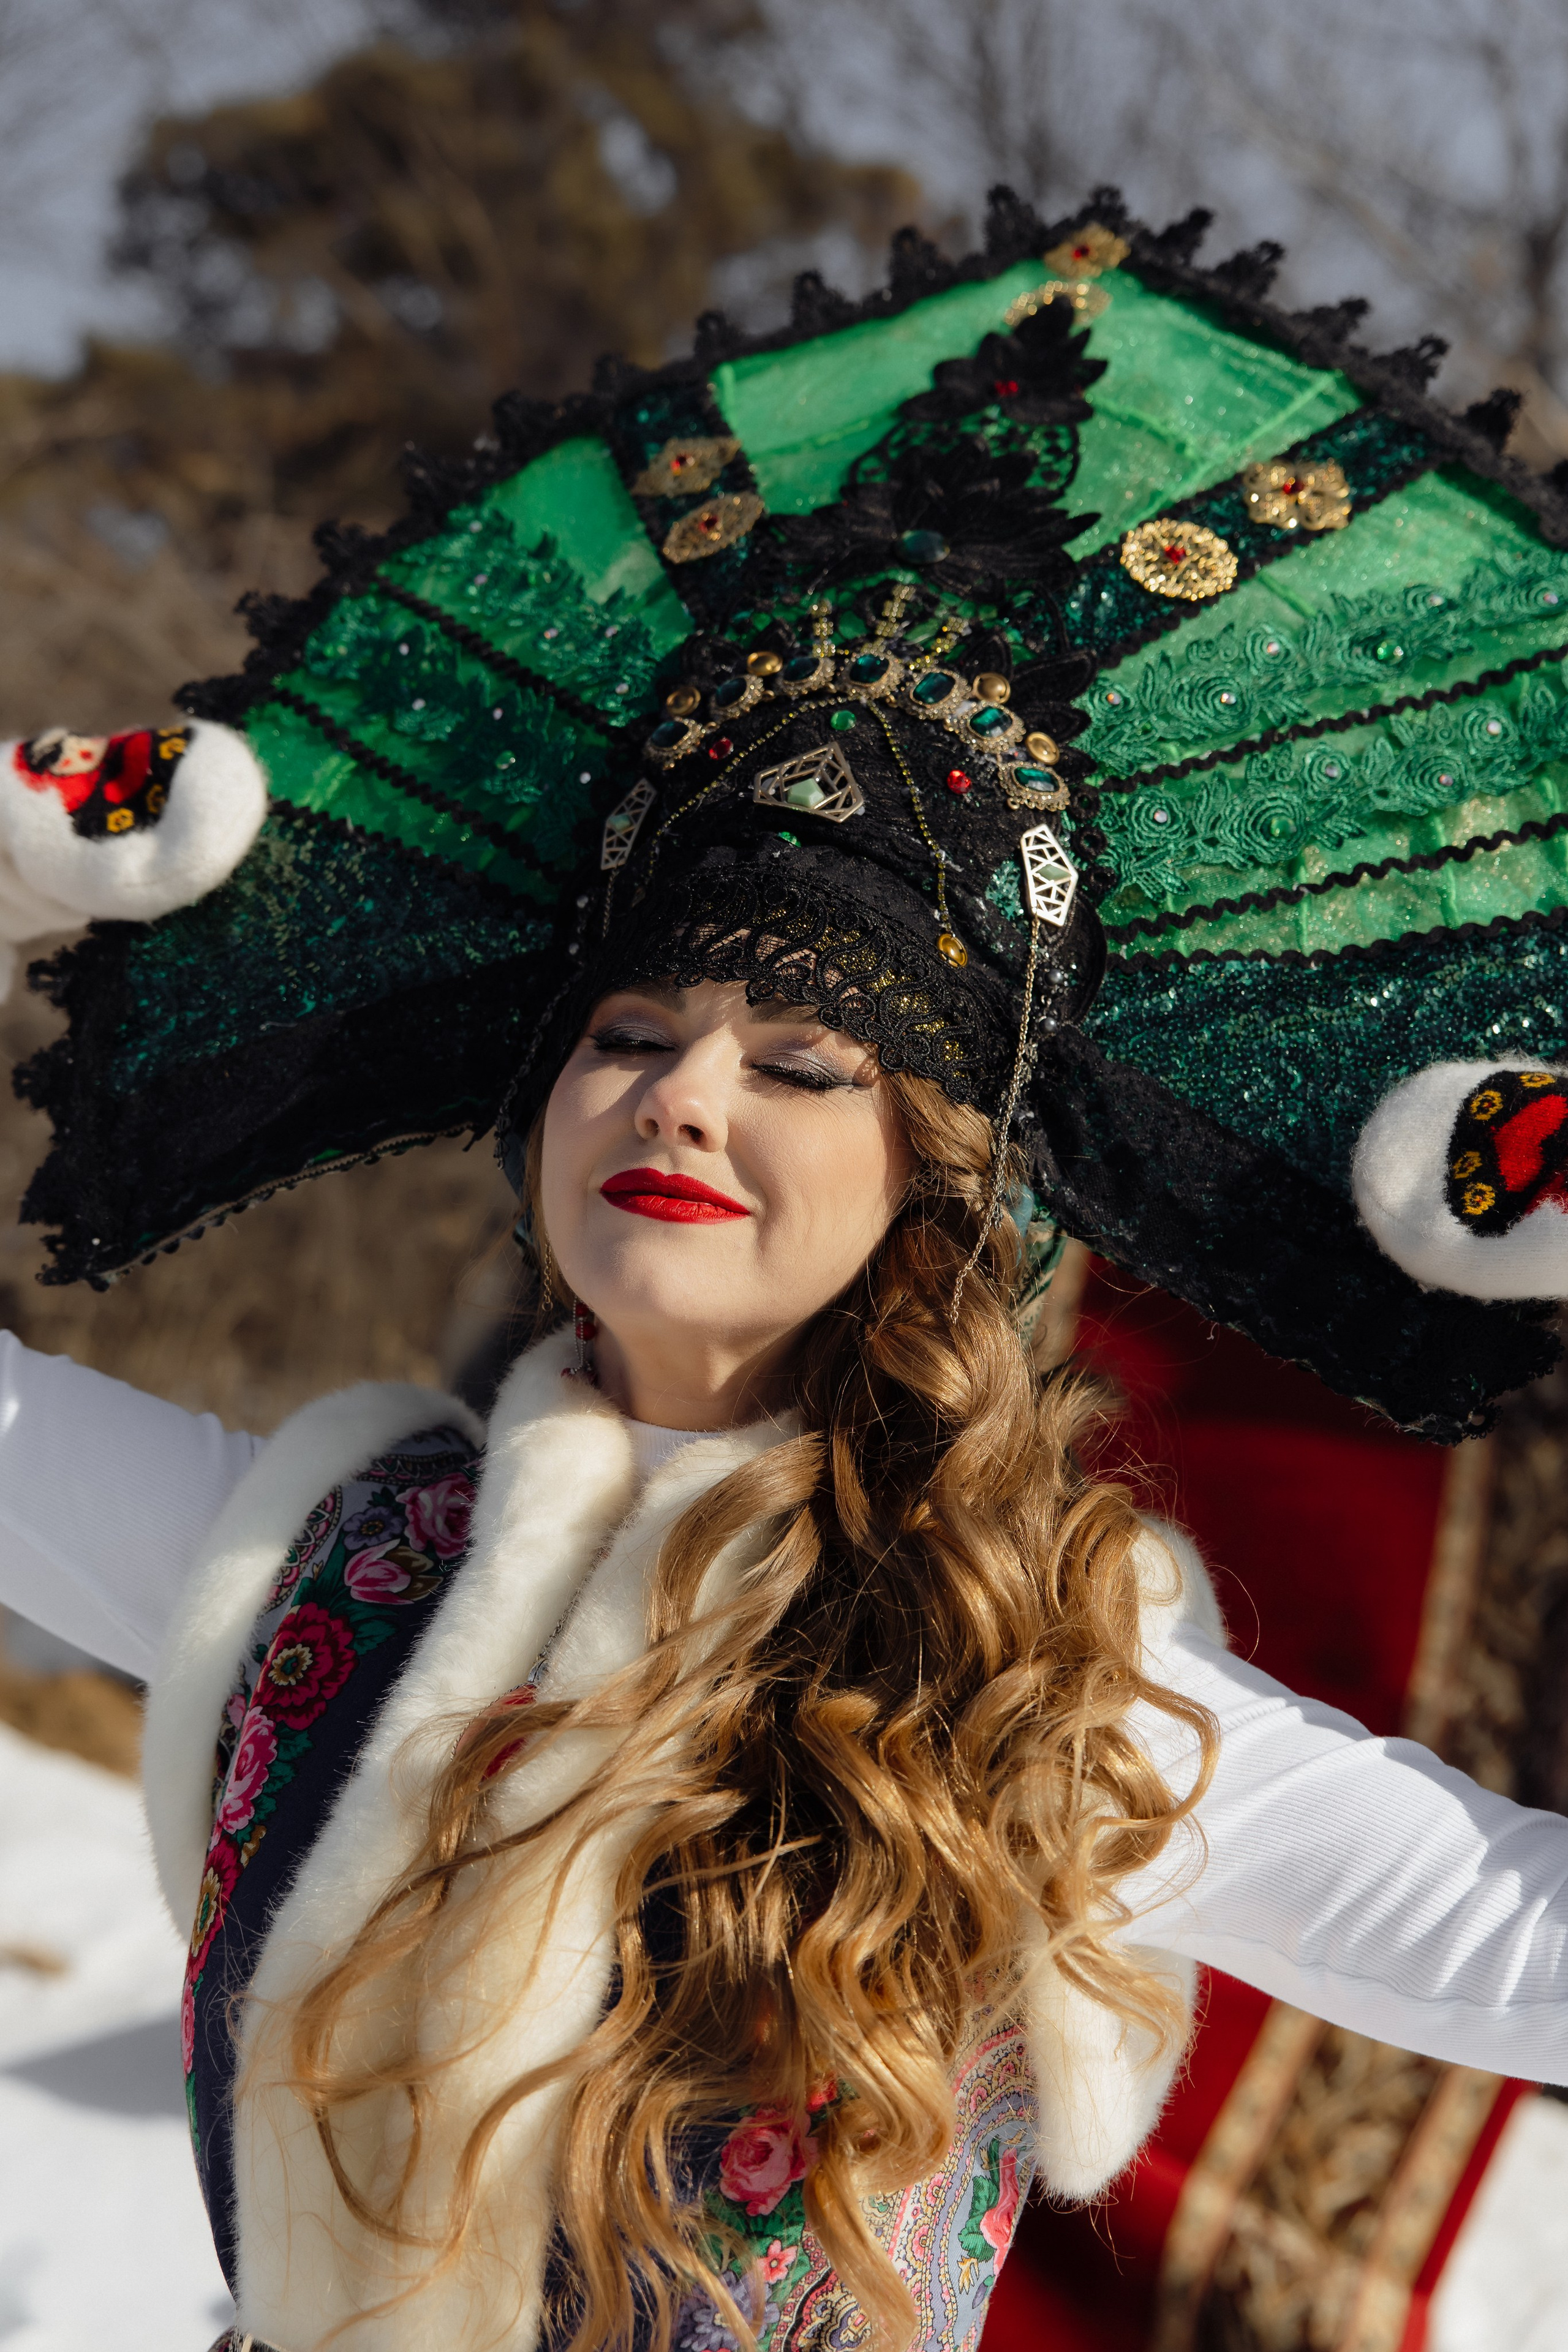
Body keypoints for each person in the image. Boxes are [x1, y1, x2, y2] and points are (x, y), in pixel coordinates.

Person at [4, 190, 1568, 2351]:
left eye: (802, 1060)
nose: (681, 1098)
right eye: (630, 1038)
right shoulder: (313, 1569)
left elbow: (1533, 1942)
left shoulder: (1042, 1685)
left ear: (928, 1184)